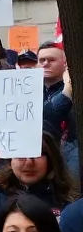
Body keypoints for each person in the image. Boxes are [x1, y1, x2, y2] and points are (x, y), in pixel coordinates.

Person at [38, 42, 77, 174]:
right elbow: (44, 116)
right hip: (37, 159)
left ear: (65, 64)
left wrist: (69, 88)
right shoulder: (28, 91)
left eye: (51, 60)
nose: (45, 63)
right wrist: (67, 92)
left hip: (70, 157)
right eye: (41, 60)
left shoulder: (77, 91)